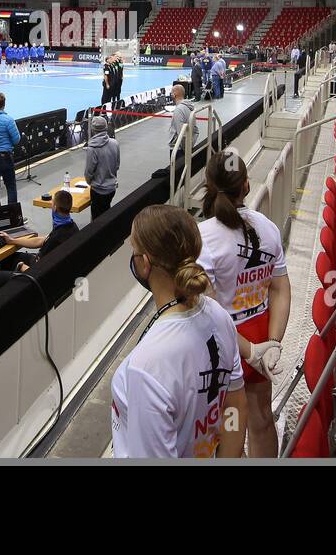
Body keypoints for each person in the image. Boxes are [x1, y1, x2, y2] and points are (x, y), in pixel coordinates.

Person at [110, 204, 247, 458]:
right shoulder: (218, 316)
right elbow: (235, 407)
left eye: (134, 250)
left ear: (145, 264)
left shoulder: (147, 366)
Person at [198, 151, 290, 457]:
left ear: (208, 186)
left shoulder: (203, 238)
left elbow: (207, 312)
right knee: (262, 418)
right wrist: (271, 344)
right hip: (259, 331)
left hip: (222, 344)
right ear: (247, 186)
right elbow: (279, 289)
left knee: (228, 427)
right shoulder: (268, 228)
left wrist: (249, 351)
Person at [0, 189, 79, 306]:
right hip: (48, 266)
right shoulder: (70, 226)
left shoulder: (56, 239)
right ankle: (6, 300)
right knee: (7, 258)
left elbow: (39, 273)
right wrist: (12, 240)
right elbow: (41, 240)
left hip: (39, 278)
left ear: (54, 207)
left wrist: (22, 266)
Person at [84, 114, 120, 219]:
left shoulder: (92, 148)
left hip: (98, 190)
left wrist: (90, 181)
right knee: (106, 213)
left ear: (93, 130)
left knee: (97, 219)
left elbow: (89, 171)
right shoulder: (115, 143)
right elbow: (117, 165)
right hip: (111, 188)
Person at [168, 84, 196, 154]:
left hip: (179, 149)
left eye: (171, 92)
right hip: (187, 145)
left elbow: (181, 133)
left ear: (175, 95)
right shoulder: (189, 107)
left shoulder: (178, 110)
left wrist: (186, 150)